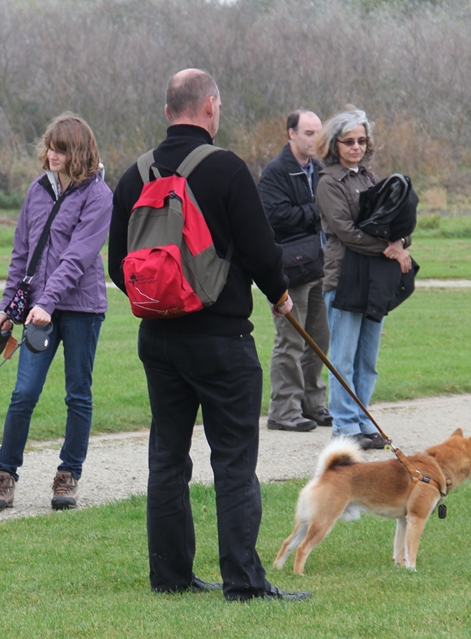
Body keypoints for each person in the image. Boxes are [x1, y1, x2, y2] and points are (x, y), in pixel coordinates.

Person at [108, 69, 310, 602]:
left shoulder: (133, 176)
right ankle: (243, 581)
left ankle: (170, 576)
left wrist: (162, 300)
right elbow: (262, 250)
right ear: (211, 107)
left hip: (157, 340)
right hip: (222, 340)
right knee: (234, 461)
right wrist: (280, 294)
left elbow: (116, 265)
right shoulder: (225, 169)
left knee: (167, 458)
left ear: (168, 110)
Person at [0, 113, 112, 512]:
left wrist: (46, 303)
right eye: (49, 147)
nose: (50, 154)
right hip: (38, 308)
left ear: (78, 152)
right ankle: (5, 475)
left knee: (78, 394)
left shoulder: (99, 196)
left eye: (60, 148)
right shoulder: (37, 191)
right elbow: (21, 254)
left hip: (80, 308)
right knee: (23, 393)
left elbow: (76, 258)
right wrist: (8, 308)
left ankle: (68, 475)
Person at [315, 107, 412, 450]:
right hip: (343, 279)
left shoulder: (369, 177)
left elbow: (390, 221)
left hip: (373, 279)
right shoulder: (329, 182)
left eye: (361, 140)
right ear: (335, 145)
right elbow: (346, 232)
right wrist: (390, 249)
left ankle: (361, 420)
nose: (356, 147)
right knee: (342, 357)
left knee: (367, 359)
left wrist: (400, 242)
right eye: (349, 141)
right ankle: (344, 426)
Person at [258, 109, 331, 433]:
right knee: (290, 340)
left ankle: (313, 404)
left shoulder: (320, 169)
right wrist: (317, 209)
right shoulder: (276, 172)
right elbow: (275, 216)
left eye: (318, 132)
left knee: (319, 339)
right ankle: (283, 409)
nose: (314, 139)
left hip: (320, 265)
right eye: (308, 133)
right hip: (290, 268)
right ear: (291, 134)